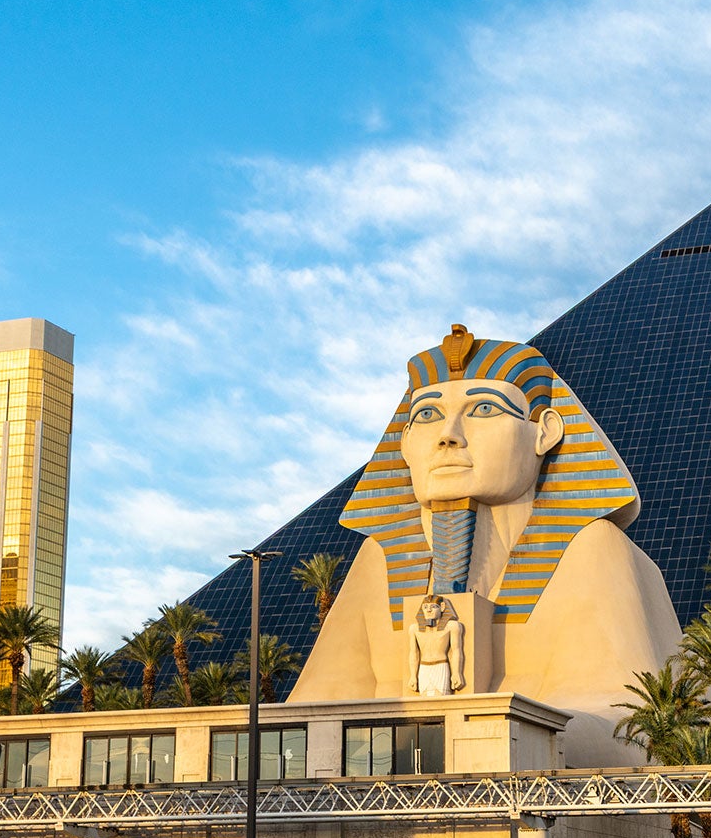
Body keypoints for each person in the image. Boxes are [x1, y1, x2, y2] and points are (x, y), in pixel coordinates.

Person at [290, 324, 683, 766]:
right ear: (402, 442)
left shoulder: (590, 546)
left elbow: (628, 724)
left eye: (482, 409)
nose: (448, 435)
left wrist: (494, 744)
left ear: (545, 432)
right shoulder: (379, 558)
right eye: (426, 415)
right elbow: (310, 715)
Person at [408, 595, 465, 695]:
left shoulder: (452, 626)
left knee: (441, 699)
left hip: (441, 666)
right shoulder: (414, 629)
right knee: (424, 703)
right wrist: (413, 676)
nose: (429, 610)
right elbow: (414, 653)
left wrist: (456, 673)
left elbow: (456, 651)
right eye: (425, 607)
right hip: (423, 668)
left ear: (442, 607)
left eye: (433, 606)